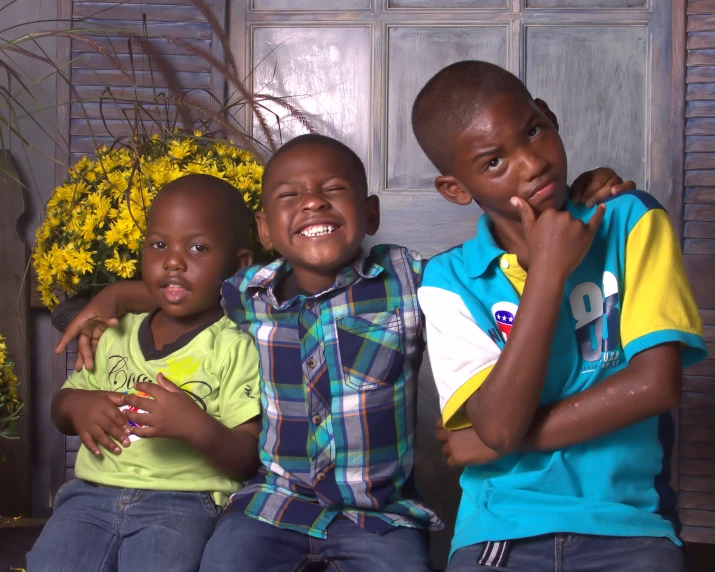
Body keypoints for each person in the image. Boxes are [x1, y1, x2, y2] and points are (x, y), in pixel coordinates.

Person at [54, 132, 634, 571]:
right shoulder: (249, 294)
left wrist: (576, 201)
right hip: (272, 504)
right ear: (264, 228)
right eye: (291, 195)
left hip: (378, 515)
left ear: (371, 213)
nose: (313, 203)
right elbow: (181, 287)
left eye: (333, 190)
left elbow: (489, 270)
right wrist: (112, 294)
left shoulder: (411, 281)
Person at [411, 60, 708, 571]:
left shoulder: (632, 220)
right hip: (500, 528)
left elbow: (656, 386)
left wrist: (498, 443)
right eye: (493, 163)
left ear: (549, 115)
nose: (530, 164)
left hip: (628, 523)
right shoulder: (449, 281)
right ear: (456, 189)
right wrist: (547, 273)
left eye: (533, 131)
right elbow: (497, 426)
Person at [27, 174, 262, 572]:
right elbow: (61, 407)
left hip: (184, 503)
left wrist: (193, 424)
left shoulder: (233, 346)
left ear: (237, 264)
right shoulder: (115, 331)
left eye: (198, 247)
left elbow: (247, 458)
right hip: (90, 496)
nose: (172, 260)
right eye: (158, 245)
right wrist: (79, 405)